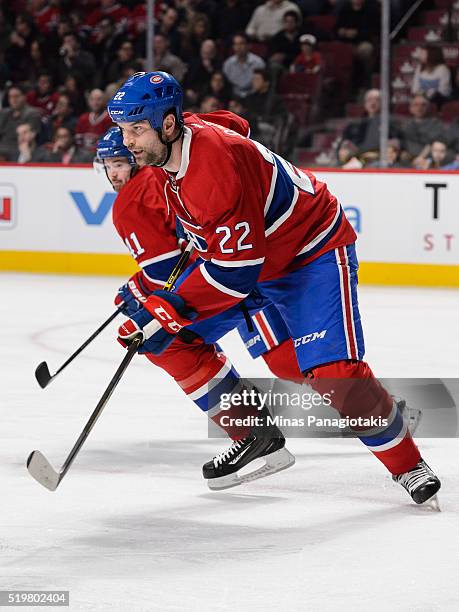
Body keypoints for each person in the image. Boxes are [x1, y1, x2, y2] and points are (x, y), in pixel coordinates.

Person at [107, 71, 441, 504]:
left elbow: (234, 274)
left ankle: (408, 465)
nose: (127, 142)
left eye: (137, 129)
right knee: (168, 343)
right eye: (122, 130)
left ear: (169, 125)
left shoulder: (210, 171)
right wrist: (155, 299)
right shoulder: (179, 143)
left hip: (309, 252)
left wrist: (166, 308)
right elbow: (234, 124)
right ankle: (254, 433)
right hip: (256, 260)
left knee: (333, 375)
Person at [95, 124, 300, 489]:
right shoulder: (176, 165)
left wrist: (143, 290)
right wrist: (142, 284)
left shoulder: (129, 203)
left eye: (118, 163)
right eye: (107, 164)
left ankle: (254, 433)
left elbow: (165, 277)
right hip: (256, 261)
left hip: (223, 281)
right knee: (288, 361)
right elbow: (237, 126)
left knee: (168, 344)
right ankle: (375, 408)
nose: (113, 173)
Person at [401, 94, 446, 166]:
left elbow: (433, 144)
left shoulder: (435, 123)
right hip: (407, 160)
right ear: (410, 108)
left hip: (428, 160)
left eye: (423, 105)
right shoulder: (406, 124)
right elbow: (402, 142)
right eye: (416, 105)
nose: (419, 108)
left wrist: (421, 157)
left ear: (428, 108)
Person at [0, 85, 42, 159]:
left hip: (18, 149)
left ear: (24, 97)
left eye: (16, 96)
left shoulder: (32, 113)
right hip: (2, 147)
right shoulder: (4, 113)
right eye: (10, 97)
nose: (13, 99)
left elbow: (29, 137)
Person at [223, 33, 265, 98]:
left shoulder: (258, 63)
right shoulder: (228, 64)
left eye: (241, 44)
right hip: (234, 97)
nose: (238, 47)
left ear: (249, 46)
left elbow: (261, 85)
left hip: (255, 96)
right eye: (235, 44)